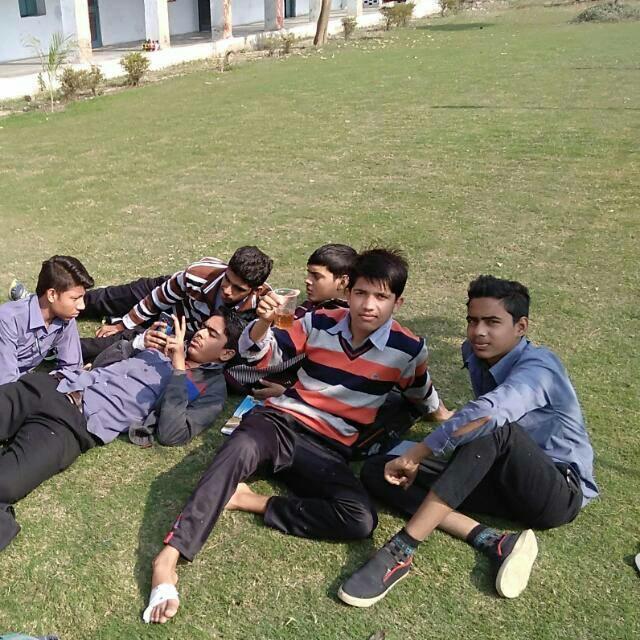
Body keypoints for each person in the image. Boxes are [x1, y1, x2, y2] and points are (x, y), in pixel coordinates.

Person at [144, 247, 452, 624]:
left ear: (397, 302)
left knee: (360, 519)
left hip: (328, 449)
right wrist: (263, 324)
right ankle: (168, 559)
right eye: (360, 293)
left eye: (381, 296)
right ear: (348, 291)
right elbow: (263, 357)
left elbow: (421, 392)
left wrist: (444, 416)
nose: (368, 305)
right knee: (237, 449)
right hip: (279, 422)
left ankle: (248, 500)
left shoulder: (408, 348)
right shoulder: (320, 321)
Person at [338, 275, 598, 607]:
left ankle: (400, 551)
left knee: (491, 428)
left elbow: (489, 415)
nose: (478, 332)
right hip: (501, 479)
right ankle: (494, 541)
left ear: (521, 326)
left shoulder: (541, 367)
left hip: (557, 492)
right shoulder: (475, 354)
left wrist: (419, 452)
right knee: (380, 471)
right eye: (472, 321)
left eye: (492, 322)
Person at [0, 308, 244, 552]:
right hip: (54, 386)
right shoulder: (164, 343)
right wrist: (138, 343)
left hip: (74, 423)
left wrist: (179, 369)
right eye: (203, 327)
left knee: (5, 484)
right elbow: (100, 364)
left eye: (212, 333)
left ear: (227, 353)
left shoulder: (211, 390)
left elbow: (172, 434)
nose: (200, 333)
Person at [54, 246, 271, 363]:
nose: (228, 290)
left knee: (136, 340)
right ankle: (48, 305)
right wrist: (123, 323)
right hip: (167, 292)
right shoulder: (198, 274)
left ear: (256, 290)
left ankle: (59, 349)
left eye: (238, 289)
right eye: (227, 280)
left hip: (181, 325)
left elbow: (256, 346)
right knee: (110, 299)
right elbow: (158, 298)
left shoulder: (262, 307)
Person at [0, 255, 94, 386]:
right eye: (75, 298)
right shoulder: (8, 319)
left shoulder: (65, 318)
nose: (82, 306)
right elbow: (6, 383)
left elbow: (72, 368)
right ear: (51, 295)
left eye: (82, 298)